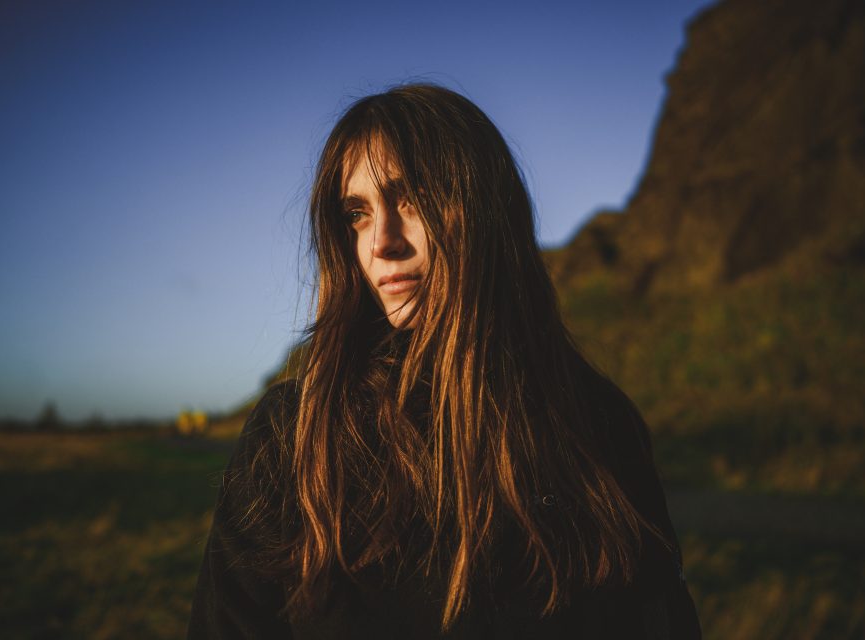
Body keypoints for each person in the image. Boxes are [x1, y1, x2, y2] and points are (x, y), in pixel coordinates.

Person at [188, 84, 701, 639]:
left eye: (410, 198)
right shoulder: (295, 433)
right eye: (356, 213)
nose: (381, 241)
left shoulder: (597, 423)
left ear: (482, 207)